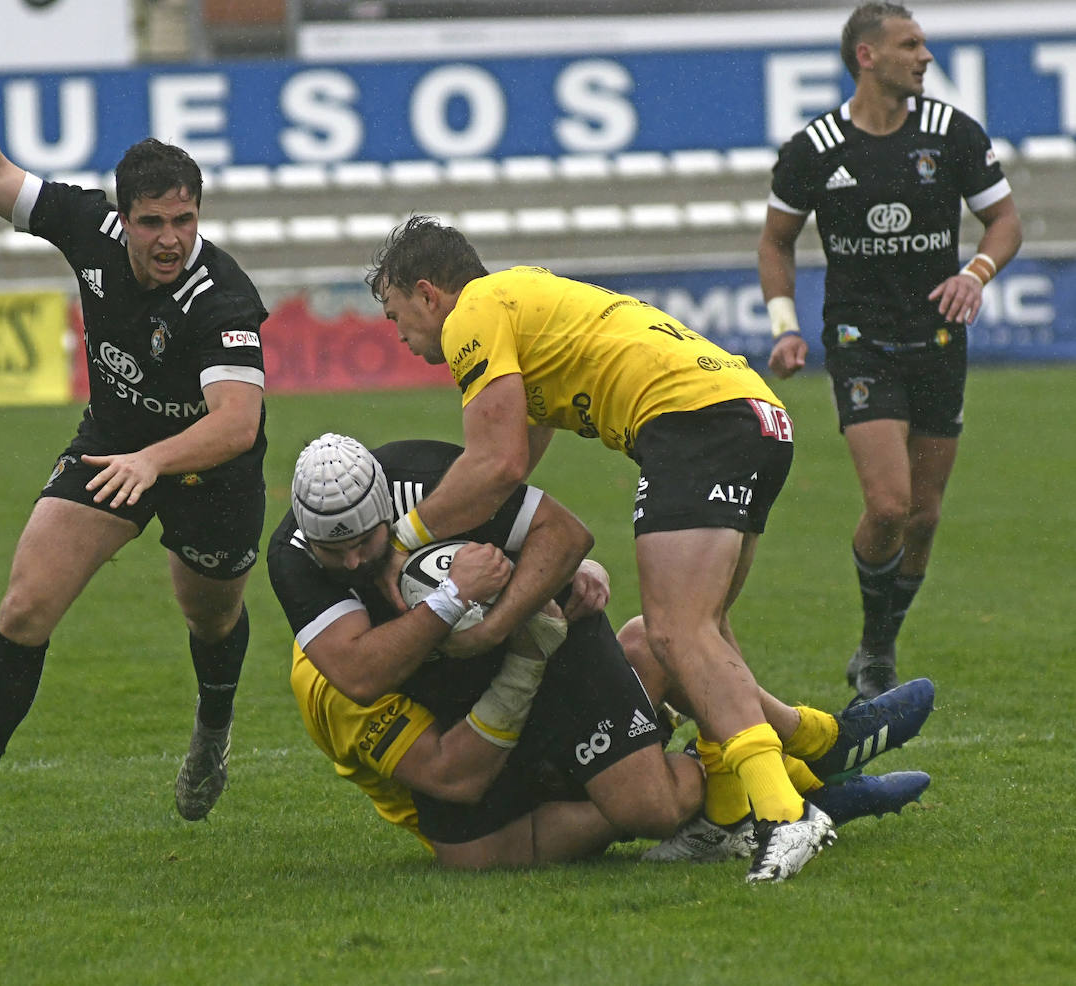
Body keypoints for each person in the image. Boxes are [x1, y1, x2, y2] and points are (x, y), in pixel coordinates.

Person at [0, 34, 269, 852]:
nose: (170, 238)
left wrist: (156, 461)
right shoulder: (87, 225)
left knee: (211, 617)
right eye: (153, 222)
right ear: (123, 216)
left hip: (212, 473)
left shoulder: (223, 294)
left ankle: (212, 727)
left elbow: (236, 425)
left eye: (185, 220)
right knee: (25, 603)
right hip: (112, 449)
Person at [267, 434, 933, 869]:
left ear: (389, 507)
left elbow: (565, 533)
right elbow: (453, 774)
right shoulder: (325, 679)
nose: (354, 561)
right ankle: (798, 785)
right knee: (468, 856)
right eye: (336, 552)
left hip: (542, 653)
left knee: (652, 803)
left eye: (367, 541)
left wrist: (527, 594)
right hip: (481, 736)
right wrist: (473, 621)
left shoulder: (424, 479)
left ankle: (816, 748)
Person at [758, 2, 1022, 700]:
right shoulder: (815, 148)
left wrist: (976, 274)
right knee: (888, 507)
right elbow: (775, 240)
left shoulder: (953, 134)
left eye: (925, 44)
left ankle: (879, 644)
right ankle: (877, 652)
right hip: (860, 341)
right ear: (866, 57)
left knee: (925, 515)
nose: (925, 56)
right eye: (910, 44)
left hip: (938, 341)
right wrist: (785, 324)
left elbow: (1003, 221)